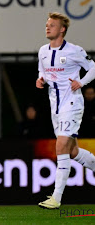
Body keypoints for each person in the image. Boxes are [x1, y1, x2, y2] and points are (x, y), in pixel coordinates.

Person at [36, 12, 95, 209]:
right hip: (55, 107)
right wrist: (40, 79)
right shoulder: (43, 51)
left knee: (61, 146)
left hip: (72, 104)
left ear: (62, 29)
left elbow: (93, 67)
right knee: (72, 151)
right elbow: (42, 71)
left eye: (52, 24)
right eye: (47, 24)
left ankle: (56, 198)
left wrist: (82, 82)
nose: (47, 27)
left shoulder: (74, 50)